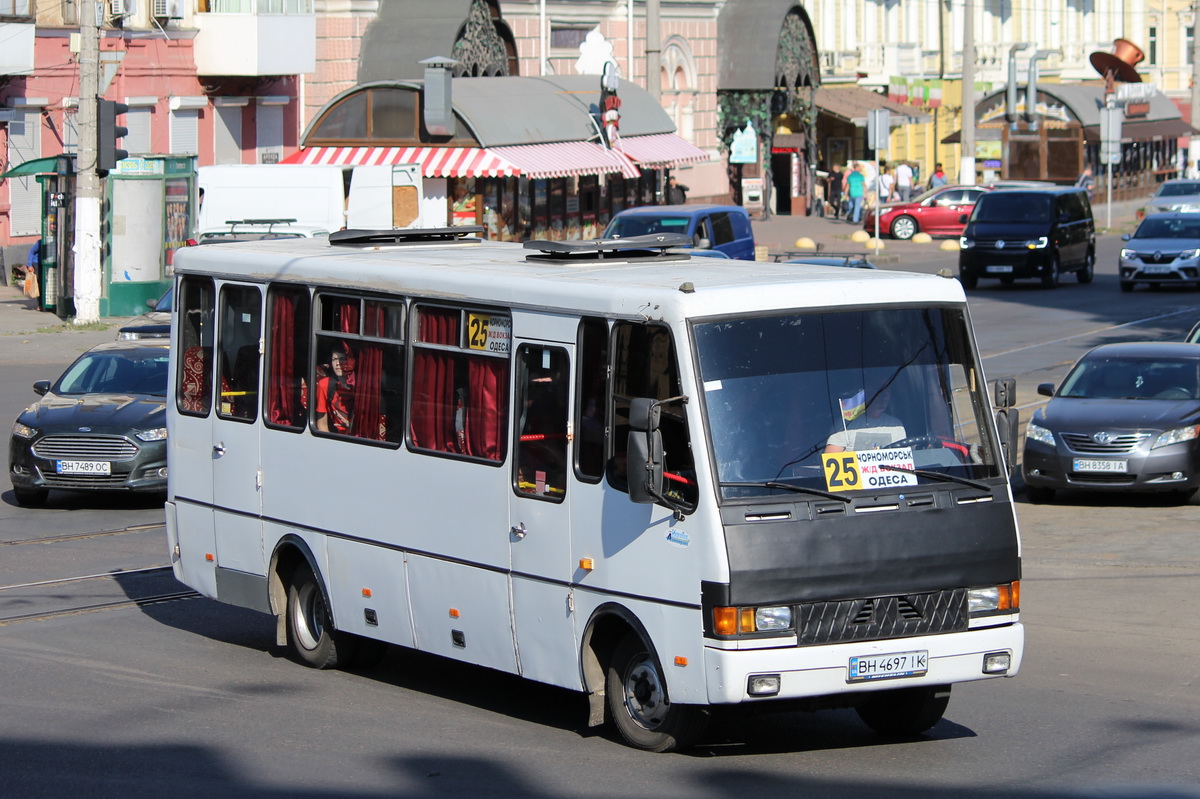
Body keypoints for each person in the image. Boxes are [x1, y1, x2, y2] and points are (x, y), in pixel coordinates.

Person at [824, 385, 906, 453]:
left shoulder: (896, 425)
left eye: (887, 390)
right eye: (879, 390)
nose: (884, 396)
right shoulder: (845, 425)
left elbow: (905, 458)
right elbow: (831, 460)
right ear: (866, 393)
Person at [316, 348, 355, 434]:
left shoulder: (359, 386)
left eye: (342, 359)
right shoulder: (325, 385)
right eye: (334, 359)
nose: (338, 363)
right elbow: (322, 424)